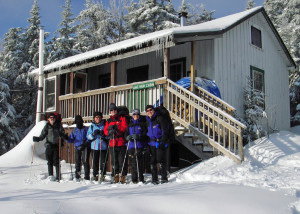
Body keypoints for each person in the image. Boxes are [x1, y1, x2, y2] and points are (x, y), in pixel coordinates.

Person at [33, 113, 66, 181]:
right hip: (49, 145)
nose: (52, 119)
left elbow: (63, 134)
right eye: (50, 118)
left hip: (56, 145)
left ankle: (58, 176)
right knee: (49, 161)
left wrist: (63, 137)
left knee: (56, 161)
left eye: (53, 118)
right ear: (48, 119)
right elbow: (43, 135)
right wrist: (38, 139)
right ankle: (50, 175)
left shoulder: (58, 126)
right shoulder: (47, 126)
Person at [145, 105, 169, 184]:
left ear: (153, 110)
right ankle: (154, 178)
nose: (149, 112)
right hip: (151, 143)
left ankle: (164, 177)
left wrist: (163, 141)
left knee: (160, 160)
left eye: (150, 110)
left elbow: (165, 130)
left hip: (159, 142)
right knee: (153, 161)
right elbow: (145, 133)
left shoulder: (159, 118)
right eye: (147, 111)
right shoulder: (147, 120)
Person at [104, 103, 128, 184]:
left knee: (122, 161)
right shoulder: (109, 120)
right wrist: (109, 131)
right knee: (114, 161)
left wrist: (117, 128)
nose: (113, 111)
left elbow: (124, 127)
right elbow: (105, 131)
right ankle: (116, 176)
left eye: (114, 110)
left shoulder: (121, 118)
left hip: (121, 142)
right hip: (112, 143)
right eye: (111, 110)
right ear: (110, 111)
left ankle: (122, 176)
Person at [124, 109, 148, 183]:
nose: (136, 116)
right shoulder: (130, 124)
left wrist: (139, 136)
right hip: (131, 145)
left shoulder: (142, 124)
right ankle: (134, 179)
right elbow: (126, 134)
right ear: (132, 116)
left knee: (139, 163)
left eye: (137, 115)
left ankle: (140, 178)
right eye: (134, 115)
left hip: (139, 145)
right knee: (133, 163)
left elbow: (145, 134)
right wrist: (127, 137)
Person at [66, 115, 90, 180]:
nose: (79, 122)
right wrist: (66, 138)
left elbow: (89, 137)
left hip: (85, 147)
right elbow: (71, 140)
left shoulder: (86, 129)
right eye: (77, 121)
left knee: (85, 161)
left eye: (80, 121)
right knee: (77, 162)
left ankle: (87, 176)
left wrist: (85, 144)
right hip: (77, 147)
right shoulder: (74, 130)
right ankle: (77, 175)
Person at [86, 112, 108, 181]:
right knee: (95, 161)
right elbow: (88, 136)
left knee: (103, 162)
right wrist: (93, 134)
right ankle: (95, 174)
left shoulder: (104, 125)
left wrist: (104, 135)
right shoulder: (92, 126)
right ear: (94, 118)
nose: (98, 119)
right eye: (96, 117)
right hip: (94, 146)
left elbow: (108, 135)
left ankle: (103, 174)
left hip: (103, 146)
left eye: (99, 117)